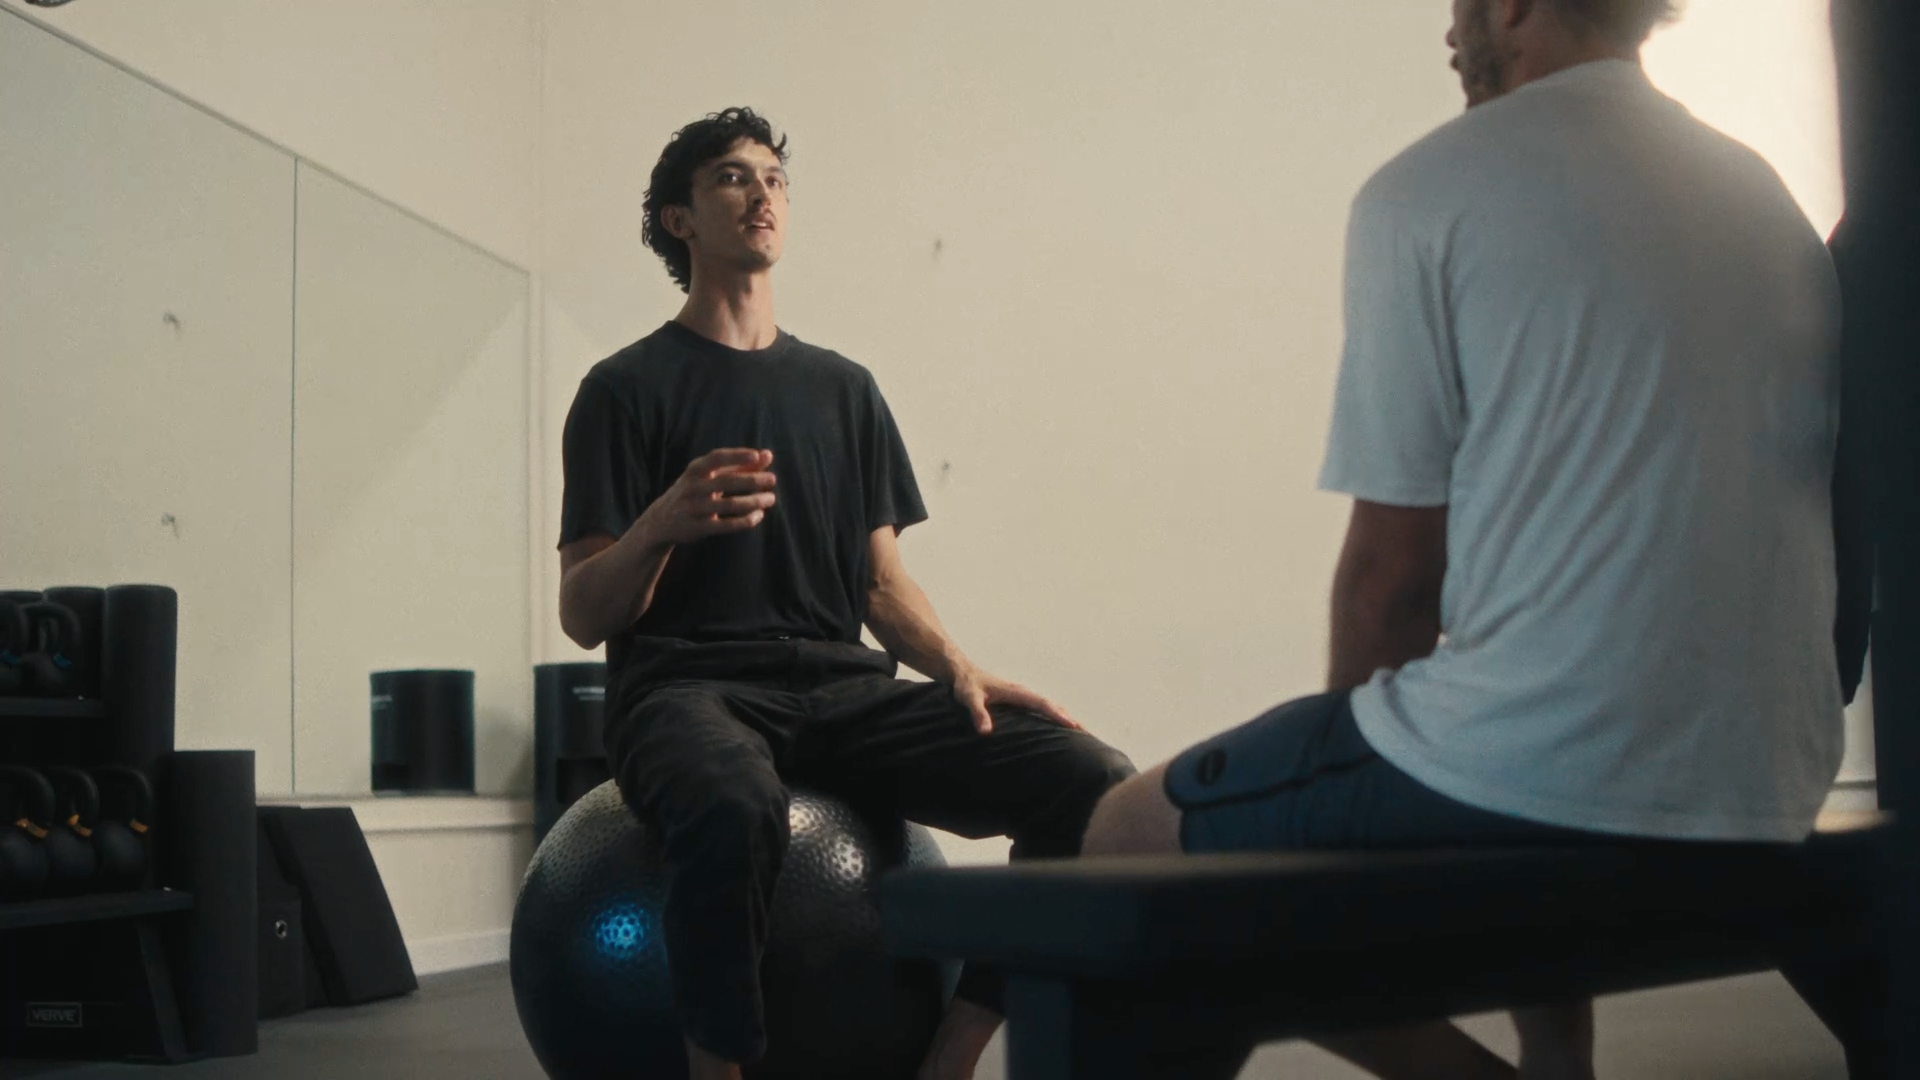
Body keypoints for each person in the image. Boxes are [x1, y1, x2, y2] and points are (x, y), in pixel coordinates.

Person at [1081, 1, 1850, 1078]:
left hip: (1559, 767)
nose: (1451, 34)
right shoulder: (1762, 197)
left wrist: (1332, 861)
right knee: (1515, 709)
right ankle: (1557, 1062)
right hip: (1772, 777)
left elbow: (1392, 583)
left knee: (1127, 838)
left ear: (1515, 4)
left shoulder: (1429, 191)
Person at [555, 107, 1136, 1080]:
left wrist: (958, 668)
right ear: (678, 220)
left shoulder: (844, 391)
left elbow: (880, 583)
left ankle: (953, 1053)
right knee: (735, 801)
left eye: (775, 179)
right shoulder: (623, 389)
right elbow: (583, 613)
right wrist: (661, 523)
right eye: (733, 177)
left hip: (840, 691)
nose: (763, 194)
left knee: (1093, 777)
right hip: (687, 691)